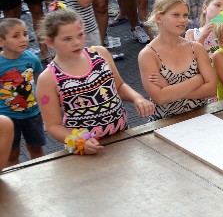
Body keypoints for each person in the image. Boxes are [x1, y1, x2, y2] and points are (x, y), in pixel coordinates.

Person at [38, 8, 154, 153]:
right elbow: (53, 126)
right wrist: (79, 142)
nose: (76, 42)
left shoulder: (100, 53)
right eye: (67, 39)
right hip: (85, 149)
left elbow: (118, 86)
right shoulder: (47, 79)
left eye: (80, 35)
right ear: (50, 42)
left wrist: (137, 98)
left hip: (122, 135)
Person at [138, 0, 217, 120]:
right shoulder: (148, 55)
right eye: (176, 15)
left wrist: (169, 88)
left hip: (201, 118)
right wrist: (197, 80)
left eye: (185, 15)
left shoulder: (196, 48)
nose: (183, 20)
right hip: (165, 123)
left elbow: (212, 89)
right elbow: (160, 98)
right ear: (159, 18)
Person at [0, 18, 45, 164]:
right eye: (16, 36)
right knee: (12, 154)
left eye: (25, 34)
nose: (23, 39)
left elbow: (41, 77)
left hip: (32, 114)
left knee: (37, 151)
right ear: (1, 42)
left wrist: (44, 100)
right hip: (7, 117)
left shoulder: (32, 58)